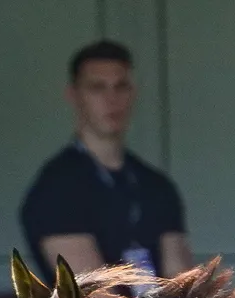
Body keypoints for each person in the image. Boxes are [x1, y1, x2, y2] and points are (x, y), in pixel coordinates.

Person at [20, 40, 195, 278]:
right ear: (74, 95)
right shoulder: (57, 188)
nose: (112, 100)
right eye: (97, 88)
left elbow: (182, 281)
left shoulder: (156, 186)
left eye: (120, 87)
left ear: (133, 93)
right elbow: (96, 295)